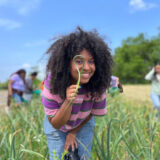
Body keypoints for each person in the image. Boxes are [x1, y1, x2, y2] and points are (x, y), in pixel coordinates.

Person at [42, 27, 113, 160]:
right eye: (79, 61)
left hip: (83, 121)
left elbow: (92, 112)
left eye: (91, 61)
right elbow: (56, 124)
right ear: (65, 64)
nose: (87, 68)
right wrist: (68, 101)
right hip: (56, 124)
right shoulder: (53, 83)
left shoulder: (98, 83)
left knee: (84, 156)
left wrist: (73, 132)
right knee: (58, 157)